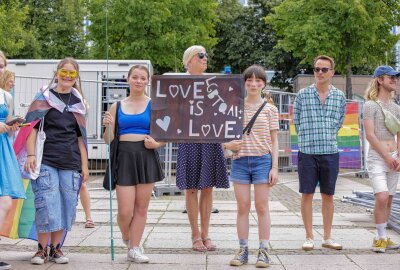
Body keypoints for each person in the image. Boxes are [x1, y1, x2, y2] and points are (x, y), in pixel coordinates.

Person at [23, 57, 88, 265]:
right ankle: (41, 250)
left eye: (72, 73)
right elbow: (31, 128)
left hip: (71, 161)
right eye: (64, 72)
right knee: (46, 203)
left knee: (67, 204)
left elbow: (80, 138)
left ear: (76, 77)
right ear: (57, 72)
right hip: (46, 159)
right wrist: (31, 155)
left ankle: (56, 248)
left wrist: (85, 166)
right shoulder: (43, 97)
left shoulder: (79, 103)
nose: (67, 76)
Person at [103, 65, 164, 263]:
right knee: (124, 211)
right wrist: (107, 126)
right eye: (135, 77)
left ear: (148, 81)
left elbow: (165, 134)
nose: (138, 81)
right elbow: (108, 139)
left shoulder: (155, 105)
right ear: (128, 79)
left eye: (142, 78)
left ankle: (134, 248)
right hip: (124, 157)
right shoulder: (116, 106)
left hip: (146, 156)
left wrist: (157, 143)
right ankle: (127, 237)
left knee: (141, 208)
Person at [224, 65, 279, 268]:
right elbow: (224, 134)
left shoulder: (270, 109)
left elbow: (274, 141)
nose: (253, 84)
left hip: (262, 161)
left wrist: (275, 167)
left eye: (258, 80)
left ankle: (263, 250)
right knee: (242, 207)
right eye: (250, 80)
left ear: (264, 84)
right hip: (240, 161)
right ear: (244, 82)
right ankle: (243, 249)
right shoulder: (235, 106)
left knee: (262, 206)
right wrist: (228, 146)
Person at [176, 45, 229, 252]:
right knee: (191, 188)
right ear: (189, 61)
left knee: (207, 188)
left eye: (206, 55)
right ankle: (195, 234)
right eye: (201, 56)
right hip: (189, 139)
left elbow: (223, 109)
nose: (205, 58)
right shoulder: (179, 84)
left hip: (210, 138)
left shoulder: (213, 83)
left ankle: (206, 234)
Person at [293, 55, 346, 251]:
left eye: (324, 69)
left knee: (328, 196)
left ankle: (327, 237)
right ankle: (309, 236)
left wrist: (327, 135)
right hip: (307, 152)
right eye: (317, 69)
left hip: (330, 152)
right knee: (306, 194)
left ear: (332, 72)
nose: (320, 73)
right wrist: (307, 138)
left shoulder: (339, 96)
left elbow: (339, 121)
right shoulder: (302, 95)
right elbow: (296, 121)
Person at [363, 65, 400, 253]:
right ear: (380, 80)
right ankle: (379, 237)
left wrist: (398, 155)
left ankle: (383, 236)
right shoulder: (370, 105)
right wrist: (386, 156)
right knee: (382, 196)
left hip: (394, 158)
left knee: (390, 198)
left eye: (396, 77)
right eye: (390, 77)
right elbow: (370, 135)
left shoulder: (396, 107)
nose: (394, 80)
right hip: (378, 157)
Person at [0, 50, 25, 270]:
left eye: (1, 65)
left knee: (5, 202)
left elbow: (8, 130)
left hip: (2, 150)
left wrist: (12, 127)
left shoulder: (6, 96)